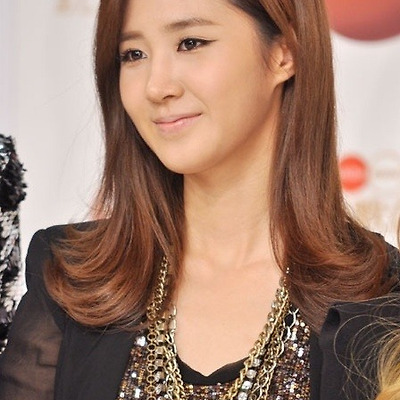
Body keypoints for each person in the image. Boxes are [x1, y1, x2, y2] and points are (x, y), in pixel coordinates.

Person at [0, 0, 399, 399]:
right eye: (133, 54)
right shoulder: (70, 276)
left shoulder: (380, 298)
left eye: (190, 43)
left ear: (284, 53)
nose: (156, 87)